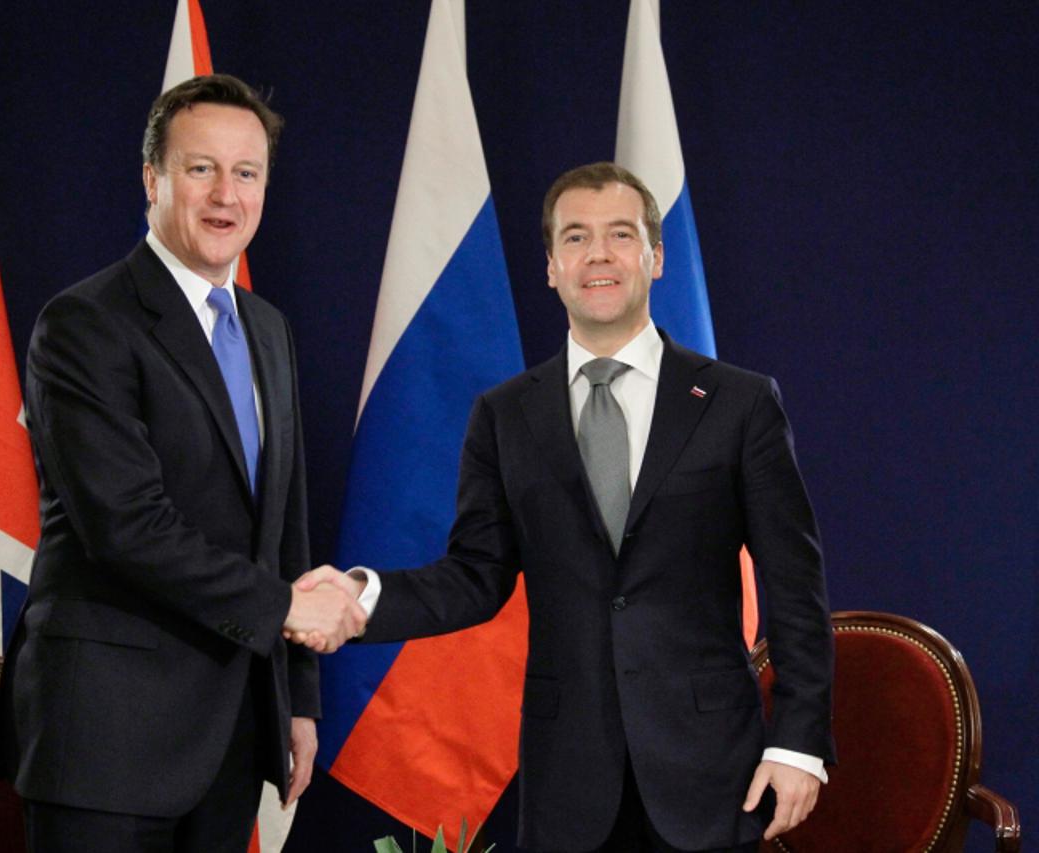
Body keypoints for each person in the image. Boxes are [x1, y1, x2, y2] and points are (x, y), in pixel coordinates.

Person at [295, 163, 834, 853]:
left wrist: (798, 743)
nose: (599, 254)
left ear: (655, 256)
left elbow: (795, 587)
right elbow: (474, 576)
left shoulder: (739, 403)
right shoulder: (505, 415)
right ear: (551, 266)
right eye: (576, 237)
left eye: (620, 234)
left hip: (710, 771)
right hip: (569, 780)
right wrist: (360, 598)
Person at [0, 74, 365, 853]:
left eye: (247, 172)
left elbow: (282, 522)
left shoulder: (267, 328)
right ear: (153, 178)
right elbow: (126, 526)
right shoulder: (85, 324)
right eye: (202, 169)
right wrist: (286, 608)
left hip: (232, 732)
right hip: (105, 738)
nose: (226, 193)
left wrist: (297, 700)